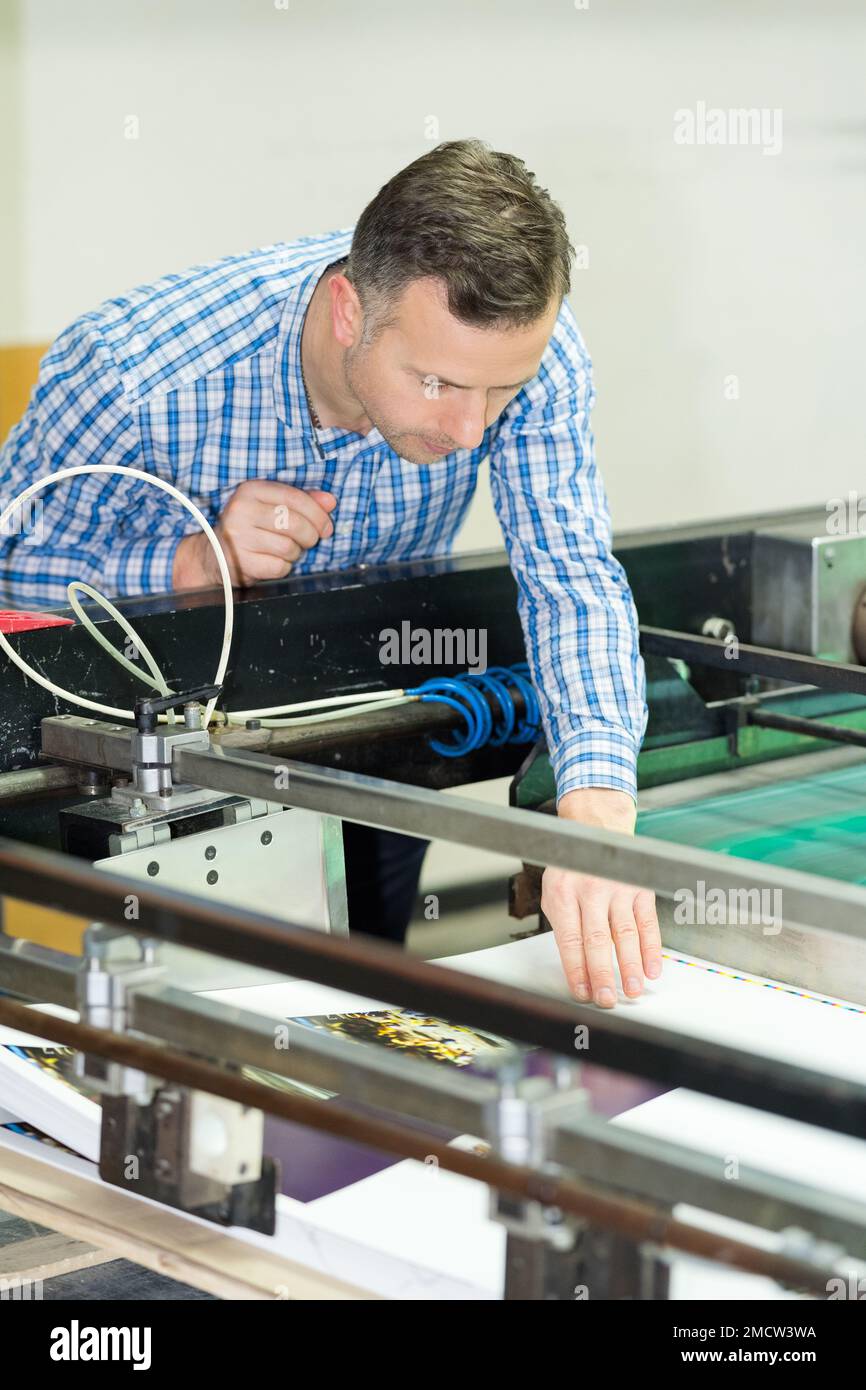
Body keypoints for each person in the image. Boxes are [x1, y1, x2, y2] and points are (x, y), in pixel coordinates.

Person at [0, 139, 661, 1007]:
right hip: (146, 773)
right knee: (177, 1038)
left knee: (367, 1010)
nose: (470, 430)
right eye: (435, 383)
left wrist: (599, 812)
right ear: (349, 310)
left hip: (370, 722)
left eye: (498, 395)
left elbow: (571, 577)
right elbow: (11, 561)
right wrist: (191, 562)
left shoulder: (520, 359)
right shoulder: (135, 371)